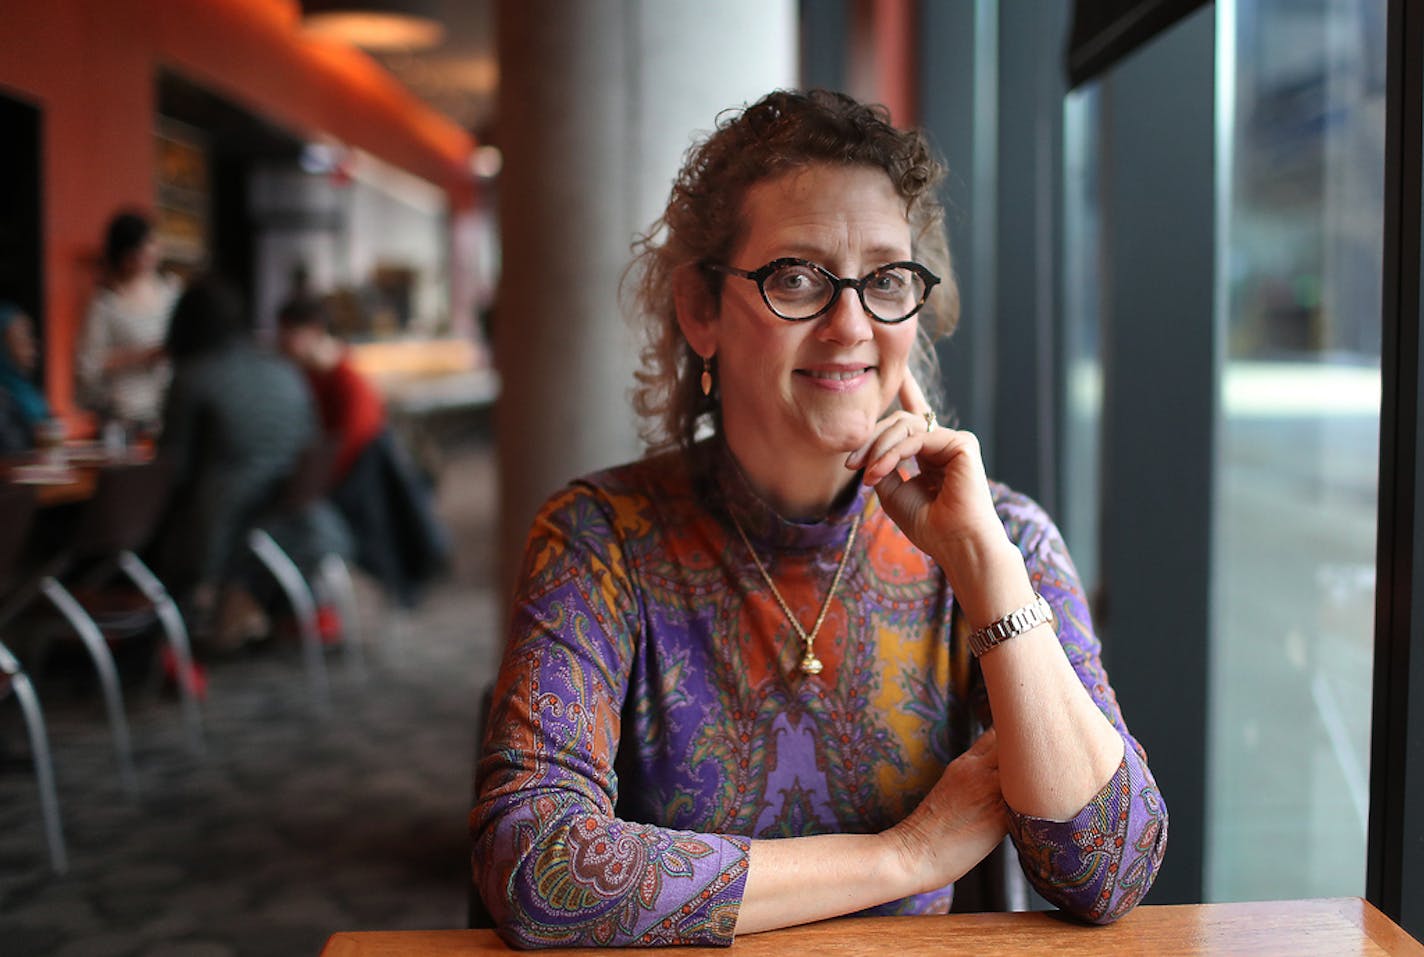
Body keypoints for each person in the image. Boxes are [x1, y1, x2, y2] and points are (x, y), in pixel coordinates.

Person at [469, 90, 1168, 947]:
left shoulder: (1006, 536)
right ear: (701, 309)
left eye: (885, 280)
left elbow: (1113, 870)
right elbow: (537, 864)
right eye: (797, 276)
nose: (851, 326)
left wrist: (984, 564)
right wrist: (903, 857)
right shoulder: (600, 537)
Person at [154, 275, 350, 649]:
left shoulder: (192, 378)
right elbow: (310, 438)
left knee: (155, 524)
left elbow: (171, 470)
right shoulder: (284, 370)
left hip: (230, 522)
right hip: (292, 516)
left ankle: (157, 636)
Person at [276, 296, 449, 608]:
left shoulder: (347, 381)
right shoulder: (312, 377)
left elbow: (346, 450)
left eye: (289, 334)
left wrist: (311, 483)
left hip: (356, 499)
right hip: (344, 491)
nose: (282, 344)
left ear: (314, 331)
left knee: (289, 525)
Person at [77, 210, 180, 431]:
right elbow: (89, 362)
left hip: (169, 405)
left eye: (152, 243)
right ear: (124, 256)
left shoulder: (172, 291)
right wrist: (143, 356)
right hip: (123, 413)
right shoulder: (105, 304)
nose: (149, 253)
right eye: (140, 249)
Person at [0, 302, 50, 453]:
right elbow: (12, 453)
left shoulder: (28, 392)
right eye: (23, 337)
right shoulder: (3, 399)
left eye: (31, 336)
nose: (33, 345)